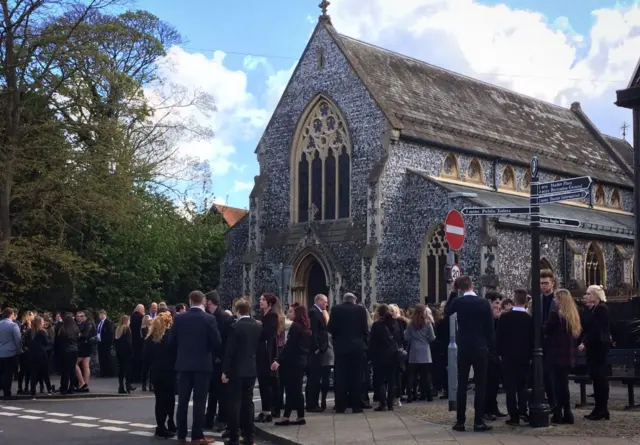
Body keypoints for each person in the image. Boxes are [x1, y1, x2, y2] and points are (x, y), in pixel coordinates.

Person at [170, 290, 221, 444]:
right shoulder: (209, 319)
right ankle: (197, 436)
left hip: (184, 365)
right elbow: (217, 342)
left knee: (183, 401)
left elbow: (171, 341)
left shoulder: (179, 318)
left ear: (190, 300)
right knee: (199, 402)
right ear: (203, 301)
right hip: (202, 366)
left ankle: (181, 434)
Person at [445, 276, 493, 432]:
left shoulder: (459, 302)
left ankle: (460, 422)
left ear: (459, 288)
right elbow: (490, 328)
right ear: (472, 285)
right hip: (480, 348)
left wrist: (453, 293)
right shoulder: (484, 303)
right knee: (480, 385)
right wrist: (489, 347)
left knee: (462, 385)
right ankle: (478, 421)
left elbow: (447, 311)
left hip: (464, 347)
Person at [222, 298, 262, 445]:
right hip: (251, 368)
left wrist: (225, 371)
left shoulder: (235, 327)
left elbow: (230, 352)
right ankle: (249, 436)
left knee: (235, 404)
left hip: (236, 370)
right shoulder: (257, 326)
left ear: (237, 310)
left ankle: (234, 437)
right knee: (248, 403)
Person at [327, 292, 370, 413]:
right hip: (357, 348)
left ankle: (340, 406)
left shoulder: (336, 309)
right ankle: (356, 406)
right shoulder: (361, 310)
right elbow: (365, 329)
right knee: (356, 377)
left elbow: (330, 328)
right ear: (354, 300)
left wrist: (337, 338)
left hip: (341, 347)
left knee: (340, 377)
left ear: (344, 300)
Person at [545, 288, 581, 424]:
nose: (554, 300)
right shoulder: (572, 315)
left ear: (560, 300)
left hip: (556, 354)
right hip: (568, 355)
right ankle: (567, 412)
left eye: (556, 298)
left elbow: (547, 329)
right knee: (563, 384)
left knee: (556, 384)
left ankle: (559, 413)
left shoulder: (555, 315)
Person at [497, 289, 533, 426]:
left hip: (508, 357)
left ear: (514, 299)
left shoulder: (505, 317)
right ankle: (523, 410)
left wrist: (501, 354)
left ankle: (513, 415)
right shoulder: (529, 319)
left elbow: (499, 338)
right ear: (526, 301)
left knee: (510, 388)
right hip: (524, 357)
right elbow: (532, 339)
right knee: (522, 386)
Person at [273, 304, 311, 426]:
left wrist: (278, 360)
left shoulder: (295, 327)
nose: (287, 314)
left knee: (291, 390)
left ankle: (287, 417)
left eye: (290, 312)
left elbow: (289, 347)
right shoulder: (304, 327)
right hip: (301, 361)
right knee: (297, 389)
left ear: (297, 313)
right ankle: (299, 416)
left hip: (293, 362)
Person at [143, 312, 177, 438]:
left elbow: (145, 358)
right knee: (170, 399)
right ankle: (171, 422)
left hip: (156, 372)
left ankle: (160, 426)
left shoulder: (150, 338)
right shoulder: (170, 337)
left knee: (160, 400)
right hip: (170, 371)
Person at [580, 285, 611, 421]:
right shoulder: (592, 309)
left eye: (588, 294)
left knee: (600, 379)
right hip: (594, 349)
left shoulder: (601, 309)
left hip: (599, 348)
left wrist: (585, 343)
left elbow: (596, 330)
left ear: (596, 296)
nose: (585, 296)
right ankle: (599, 409)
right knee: (597, 379)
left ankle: (601, 409)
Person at [205, 290, 234, 430]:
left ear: (209, 301)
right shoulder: (210, 316)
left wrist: (219, 357)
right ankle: (209, 417)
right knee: (212, 392)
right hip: (209, 360)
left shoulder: (224, 318)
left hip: (218, 360)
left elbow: (226, 342)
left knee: (221, 392)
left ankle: (222, 418)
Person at [255, 293, 284, 423]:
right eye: (260, 299)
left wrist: (258, 325)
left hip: (268, 354)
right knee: (265, 384)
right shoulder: (264, 316)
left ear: (270, 303)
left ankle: (269, 411)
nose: (260, 301)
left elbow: (268, 335)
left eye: (263, 300)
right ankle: (267, 410)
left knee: (268, 384)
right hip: (263, 353)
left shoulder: (271, 316)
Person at [369, 304, 403, 411]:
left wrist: (371, 355)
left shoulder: (376, 325)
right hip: (393, 355)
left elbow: (372, 342)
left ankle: (382, 404)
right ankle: (390, 404)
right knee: (391, 380)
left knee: (380, 381)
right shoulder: (396, 323)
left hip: (380, 356)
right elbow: (401, 338)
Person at [404, 304, 436, 402]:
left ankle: (410, 395)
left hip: (414, 351)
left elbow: (406, 337)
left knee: (412, 375)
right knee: (426, 375)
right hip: (425, 351)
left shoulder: (411, 324)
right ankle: (428, 395)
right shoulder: (428, 323)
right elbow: (432, 337)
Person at [306, 294, 329, 412]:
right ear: (319, 301)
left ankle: (312, 403)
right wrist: (317, 348)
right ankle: (312, 404)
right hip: (315, 352)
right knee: (313, 379)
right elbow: (314, 332)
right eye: (325, 302)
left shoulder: (317, 312)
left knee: (315, 378)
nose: (327, 304)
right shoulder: (314, 312)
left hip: (318, 350)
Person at [27, 316, 53, 397]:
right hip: (42, 354)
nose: (43, 324)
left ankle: (33, 392)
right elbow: (46, 342)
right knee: (45, 373)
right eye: (42, 322)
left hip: (32, 355)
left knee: (34, 373)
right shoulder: (42, 332)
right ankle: (49, 390)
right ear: (39, 323)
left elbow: (26, 343)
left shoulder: (29, 332)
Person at [0, 307, 21, 400]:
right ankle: (7, 393)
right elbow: (18, 340)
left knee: (1, 373)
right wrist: (19, 350)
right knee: (8, 374)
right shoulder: (13, 325)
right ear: (11, 314)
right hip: (10, 353)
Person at [57, 315, 80, 395]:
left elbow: (59, 341)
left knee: (65, 370)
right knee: (72, 370)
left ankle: (64, 388)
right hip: (74, 350)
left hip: (65, 351)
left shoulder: (63, 329)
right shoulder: (76, 329)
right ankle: (72, 387)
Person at [114, 315, 136, 394]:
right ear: (127, 321)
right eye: (129, 320)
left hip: (119, 352)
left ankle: (121, 386)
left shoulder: (118, 329)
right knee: (128, 369)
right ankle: (128, 385)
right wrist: (131, 352)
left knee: (121, 369)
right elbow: (128, 342)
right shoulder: (127, 329)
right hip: (126, 352)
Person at [96, 310, 114, 378]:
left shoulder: (108, 322)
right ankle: (103, 372)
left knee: (107, 357)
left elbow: (110, 333)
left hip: (106, 342)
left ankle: (109, 372)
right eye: (99, 315)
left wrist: (109, 342)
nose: (100, 316)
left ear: (104, 315)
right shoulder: (99, 322)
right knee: (101, 357)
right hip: (100, 342)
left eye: (101, 315)